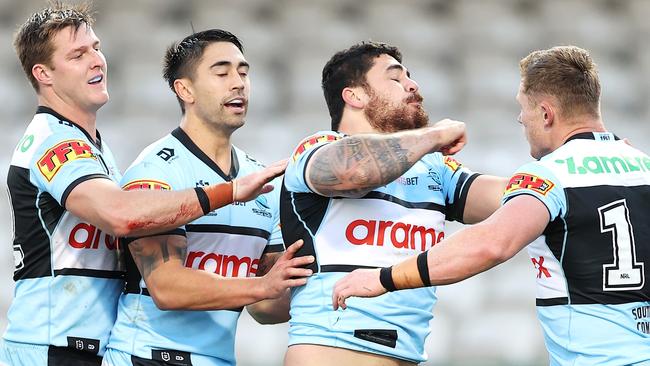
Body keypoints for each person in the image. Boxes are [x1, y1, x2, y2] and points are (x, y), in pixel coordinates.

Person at [2, 4, 290, 366]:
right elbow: (121, 215)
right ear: (43, 74)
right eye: (78, 54)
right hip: (52, 348)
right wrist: (230, 191)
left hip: (86, 345)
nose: (97, 60)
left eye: (96, 47)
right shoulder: (55, 142)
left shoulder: (94, 148)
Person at [333, 45, 650, 365]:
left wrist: (384, 278)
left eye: (523, 108)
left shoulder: (551, 175)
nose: (520, 118)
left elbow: (492, 244)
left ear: (546, 113)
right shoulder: (643, 166)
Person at [280, 41, 507, 365]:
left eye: (410, 77)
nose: (412, 85)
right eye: (396, 77)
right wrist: (434, 135)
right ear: (354, 95)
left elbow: (515, 201)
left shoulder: (435, 170)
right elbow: (356, 170)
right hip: (330, 352)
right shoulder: (319, 147)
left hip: (409, 356)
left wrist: (564, 173)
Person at [102, 29, 313, 366]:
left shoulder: (262, 181)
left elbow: (266, 307)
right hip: (146, 357)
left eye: (244, 72)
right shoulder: (156, 171)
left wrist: (330, 273)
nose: (239, 82)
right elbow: (167, 288)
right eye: (222, 72)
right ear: (184, 89)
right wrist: (262, 286)